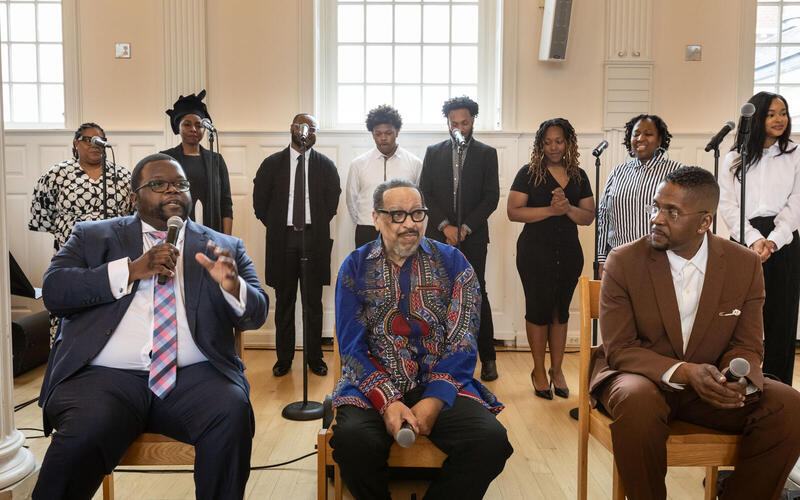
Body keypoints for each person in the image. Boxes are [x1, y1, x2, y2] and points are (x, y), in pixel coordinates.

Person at [32, 153, 268, 500]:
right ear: (133, 196)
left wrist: (233, 287)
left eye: (180, 185)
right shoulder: (92, 237)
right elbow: (55, 292)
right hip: (104, 378)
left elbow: (257, 314)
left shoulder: (223, 247)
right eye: (159, 184)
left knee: (230, 413)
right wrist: (130, 270)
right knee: (83, 433)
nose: (173, 191)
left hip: (194, 376)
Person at [589, 167, 800, 500]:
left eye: (672, 212)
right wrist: (686, 372)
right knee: (637, 400)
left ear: (705, 222)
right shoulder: (624, 261)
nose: (657, 218)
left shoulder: (744, 265)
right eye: (656, 207)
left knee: (789, 405)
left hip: (710, 385)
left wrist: (734, 377)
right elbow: (620, 348)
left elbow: (746, 344)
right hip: (642, 378)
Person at [330, 178, 513, 500]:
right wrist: (388, 401)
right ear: (376, 217)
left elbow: (463, 341)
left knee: (491, 441)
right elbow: (351, 348)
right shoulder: (355, 267)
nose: (410, 224)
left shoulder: (455, 263)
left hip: (441, 383)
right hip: (373, 385)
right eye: (397, 215)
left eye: (417, 214)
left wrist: (435, 398)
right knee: (352, 440)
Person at [507, 118, 594, 399]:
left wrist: (567, 207)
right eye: (548, 142)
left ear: (568, 143)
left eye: (559, 141)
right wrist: (551, 210)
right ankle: (539, 371)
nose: (553, 147)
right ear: (540, 145)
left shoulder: (579, 175)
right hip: (535, 252)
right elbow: (514, 212)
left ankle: (558, 370)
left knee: (560, 311)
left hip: (569, 253)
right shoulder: (528, 173)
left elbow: (588, 217)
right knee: (538, 310)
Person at [719, 91, 800, 385]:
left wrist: (774, 240)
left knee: (781, 318)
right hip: (743, 239)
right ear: (756, 118)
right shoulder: (734, 157)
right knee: (738, 316)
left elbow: (797, 202)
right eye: (771, 114)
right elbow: (727, 205)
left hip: (784, 240)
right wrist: (753, 239)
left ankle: (779, 388)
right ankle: (739, 383)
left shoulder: (794, 153)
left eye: (784, 113)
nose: (780, 119)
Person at [252, 113, 341, 377]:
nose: (307, 133)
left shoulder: (326, 166)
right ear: (291, 129)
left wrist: (311, 225)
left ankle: (314, 358)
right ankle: (284, 358)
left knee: (313, 302)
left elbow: (331, 204)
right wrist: (281, 225)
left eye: (313, 129)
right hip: (282, 240)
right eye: (303, 127)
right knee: (285, 301)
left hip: (314, 239)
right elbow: (260, 203)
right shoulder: (272, 164)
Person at [29, 122, 133, 343]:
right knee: (69, 302)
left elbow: (133, 216)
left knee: (111, 307)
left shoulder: (123, 176)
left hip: (112, 256)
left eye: (99, 140)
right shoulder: (57, 174)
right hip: (73, 254)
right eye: (87, 140)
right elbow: (43, 215)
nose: (94, 144)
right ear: (76, 143)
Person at [419, 96, 500, 381]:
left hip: (474, 236)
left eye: (465, 123)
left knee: (477, 293)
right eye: (454, 123)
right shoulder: (433, 152)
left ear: (473, 121)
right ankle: (439, 358)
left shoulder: (487, 154)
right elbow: (425, 191)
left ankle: (487, 357)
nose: (460, 128)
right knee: (438, 294)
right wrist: (445, 226)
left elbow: (492, 197)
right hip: (439, 237)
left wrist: (465, 227)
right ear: (447, 123)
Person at [597, 114, 683, 277]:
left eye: (648, 134)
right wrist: (602, 258)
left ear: (660, 140)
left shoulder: (675, 172)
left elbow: (683, 216)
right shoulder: (618, 172)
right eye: (635, 134)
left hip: (661, 258)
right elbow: (603, 217)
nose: (640, 138)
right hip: (619, 257)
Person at [346, 104, 422, 248]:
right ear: (372, 134)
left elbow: (419, 201)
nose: (383, 138)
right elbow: (352, 201)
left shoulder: (414, 163)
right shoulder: (358, 164)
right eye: (378, 134)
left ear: (397, 132)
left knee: (403, 269)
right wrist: (368, 220)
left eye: (388, 133)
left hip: (403, 228)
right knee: (367, 270)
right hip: (367, 228)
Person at [163, 89, 234, 234]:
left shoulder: (216, 160)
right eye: (187, 125)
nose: (193, 129)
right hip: (176, 231)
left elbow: (226, 205)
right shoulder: (166, 159)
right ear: (179, 127)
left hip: (211, 231)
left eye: (199, 125)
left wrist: (227, 240)